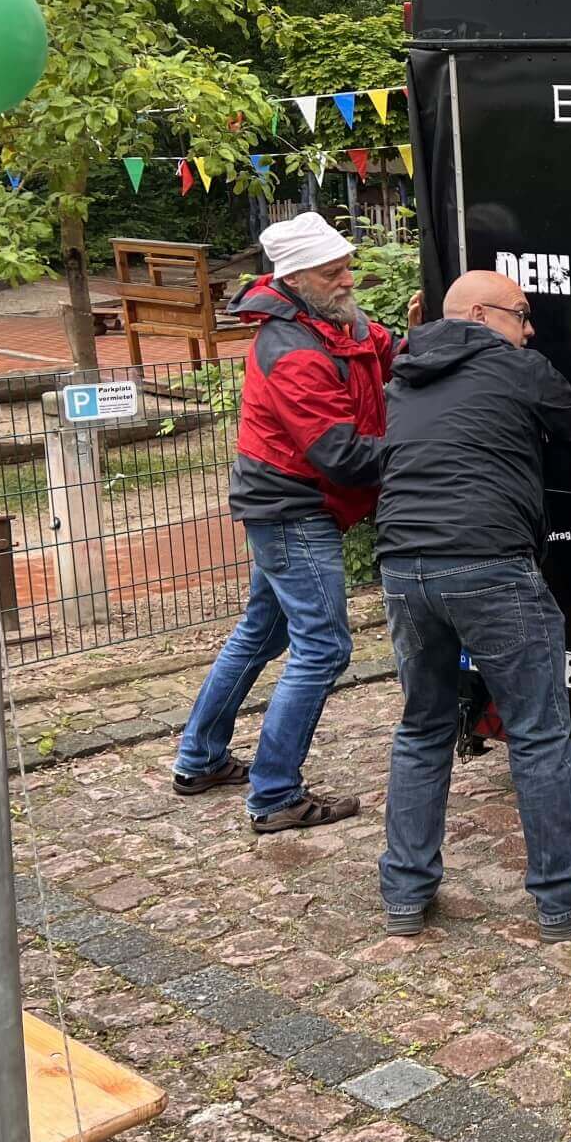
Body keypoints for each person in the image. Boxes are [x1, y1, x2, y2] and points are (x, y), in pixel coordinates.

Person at [374, 270, 571, 944]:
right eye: (522, 314)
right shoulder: (517, 368)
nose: (531, 328)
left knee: (422, 727)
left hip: (403, 566)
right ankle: (564, 893)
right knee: (539, 730)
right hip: (489, 564)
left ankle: (405, 891)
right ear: (485, 314)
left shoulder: (404, 373)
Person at [173, 212, 392, 833]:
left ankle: (199, 759)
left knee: (263, 632)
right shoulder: (293, 350)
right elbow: (341, 455)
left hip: (286, 501)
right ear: (295, 278)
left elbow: (381, 348)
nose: (349, 277)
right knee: (324, 646)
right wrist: (427, 447)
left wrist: (431, 332)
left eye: (347, 264)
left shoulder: (330, 322)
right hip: (292, 507)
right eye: (334, 271)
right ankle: (274, 796)